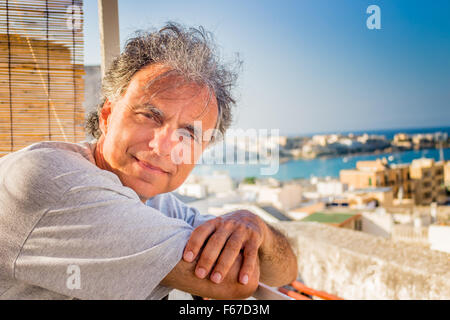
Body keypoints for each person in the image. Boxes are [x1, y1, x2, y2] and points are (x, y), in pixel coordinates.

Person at [0, 23, 297, 300]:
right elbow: (235, 281)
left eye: (188, 134)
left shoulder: (158, 204)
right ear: (106, 116)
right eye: (150, 116)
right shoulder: (50, 179)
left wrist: (257, 227)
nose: (163, 146)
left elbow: (285, 271)